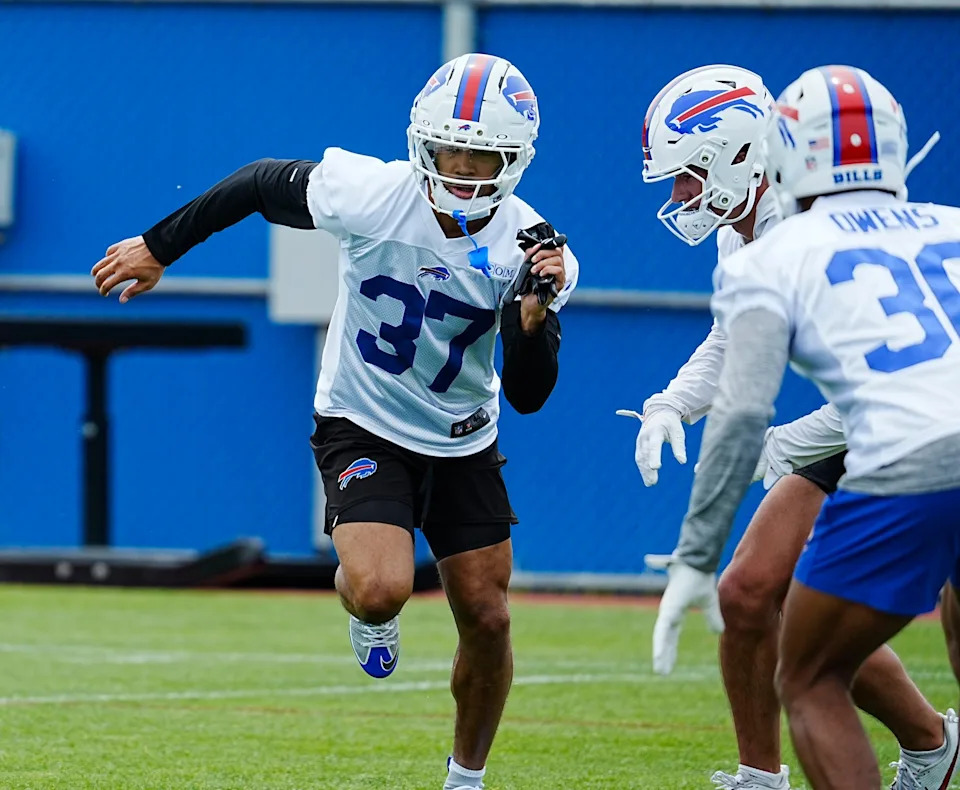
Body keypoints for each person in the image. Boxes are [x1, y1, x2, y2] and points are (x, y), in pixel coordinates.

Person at [91, 52, 578, 790]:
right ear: (423, 143)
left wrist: (532, 318)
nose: (464, 169)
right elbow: (257, 183)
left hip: (462, 437)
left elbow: (531, 394)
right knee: (380, 586)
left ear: (516, 161)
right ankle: (369, 613)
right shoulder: (370, 192)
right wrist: (161, 246)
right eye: (451, 148)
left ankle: (465, 779)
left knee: (489, 617)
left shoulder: (534, 249)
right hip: (363, 418)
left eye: (484, 155)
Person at [622, 64, 956, 789]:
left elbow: (793, 401)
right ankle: (770, 772)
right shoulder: (936, 222)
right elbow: (728, 342)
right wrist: (670, 404)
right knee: (753, 595)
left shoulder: (793, 234)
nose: (679, 197)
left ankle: (928, 744)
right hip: (887, 423)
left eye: (686, 177)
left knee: (806, 659)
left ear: (746, 154)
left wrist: (703, 542)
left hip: (896, 435)